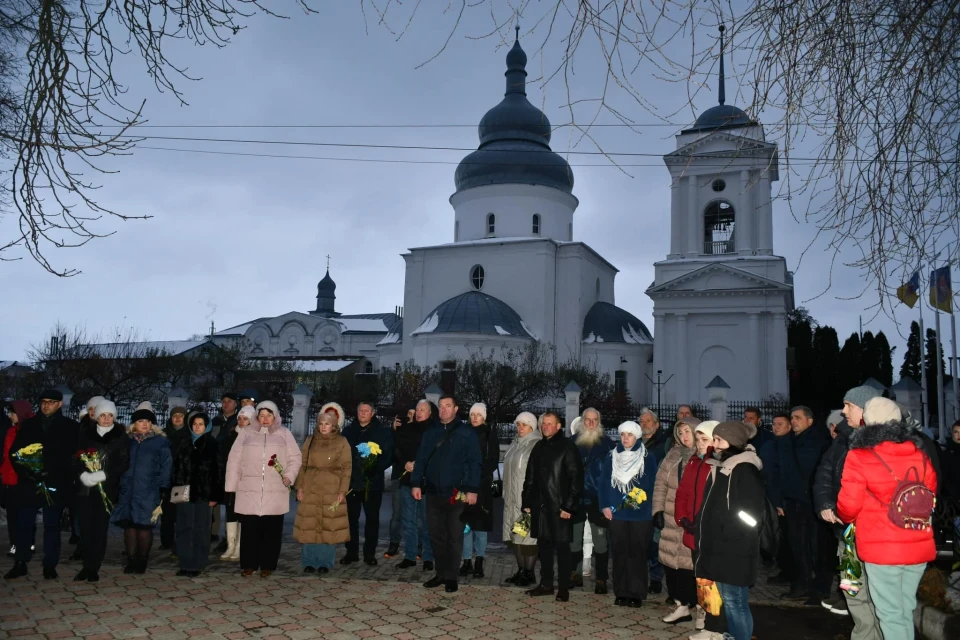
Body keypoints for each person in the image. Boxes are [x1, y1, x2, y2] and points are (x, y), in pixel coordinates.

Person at [837, 397, 938, 640]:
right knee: (905, 609)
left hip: (882, 548)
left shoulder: (860, 456)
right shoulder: (919, 454)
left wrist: (845, 516)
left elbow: (848, 507)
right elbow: (931, 494)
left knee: (890, 614)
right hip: (918, 543)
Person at [812, 386, 882, 628]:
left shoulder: (886, 439)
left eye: (848, 405)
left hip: (874, 535)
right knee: (851, 586)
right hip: (846, 534)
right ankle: (863, 630)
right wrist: (825, 503)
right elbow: (825, 472)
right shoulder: (843, 437)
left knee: (878, 594)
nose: (843, 411)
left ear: (865, 408)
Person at [694, 421, 766, 640]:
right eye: (714, 439)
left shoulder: (743, 469)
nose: (714, 444)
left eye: (719, 440)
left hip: (734, 549)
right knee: (728, 599)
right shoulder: (724, 465)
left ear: (732, 441)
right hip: (720, 547)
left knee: (735, 601)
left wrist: (731, 536)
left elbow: (750, 514)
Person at [5, 389, 81, 580]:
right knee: (24, 524)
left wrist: (63, 476)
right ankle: (21, 562)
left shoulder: (70, 426)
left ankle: (50, 564)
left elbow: (75, 457)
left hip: (55, 482)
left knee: (52, 525)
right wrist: (28, 472)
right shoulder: (28, 425)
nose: (46, 405)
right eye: (43, 401)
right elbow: (16, 453)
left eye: (51, 401)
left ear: (60, 404)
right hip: (29, 482)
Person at [411, 395, 481, 594]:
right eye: (440, 406)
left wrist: (472, 489)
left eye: (448, 406)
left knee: (454, 537)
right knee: (436, 536)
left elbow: (474, 463)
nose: (443, 410)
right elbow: (421, 459)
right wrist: (416, 483)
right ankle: (440, 573)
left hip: (456, 494)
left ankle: (451, 576)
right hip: (433, 493)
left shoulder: (466, 433)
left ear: (456, 408)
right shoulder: (431, 432)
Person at [225, 400, 302, 577]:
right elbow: (234, 459)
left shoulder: (284, 433)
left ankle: (268, 565)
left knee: (271, 531)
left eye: (269, 415)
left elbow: (295, 458)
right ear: (256, 417)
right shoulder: (245, 433)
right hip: (248, 489)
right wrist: (231, 486)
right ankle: (249, 564)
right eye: (262, 415)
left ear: (275, 417)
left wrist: (289, 476)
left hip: (274, 490)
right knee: (250, 530)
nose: (265, 419)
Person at [522, 411, 583, 602]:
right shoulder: (538, 447)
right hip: (540, 507)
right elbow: (530, 477)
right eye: (543, 423)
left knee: (563, 549)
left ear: (558, 427)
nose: (546, 426)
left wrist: (569, 506)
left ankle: (563, 586)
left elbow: (576, 479)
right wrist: (527, 502)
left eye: (550, 423)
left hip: (560, 508)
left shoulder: (568, 447)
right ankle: (546, 584)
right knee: (544, 548)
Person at [594, 421, 657, 608]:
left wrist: (643, 502)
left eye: (630, 435)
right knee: (620, 553)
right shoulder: (612, 456)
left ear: (637, 436)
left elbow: (653, 484)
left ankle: (636, 593)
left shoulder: (647, 457)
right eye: (623, 435)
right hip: (616, 515)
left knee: (637, 554)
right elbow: (603, 483)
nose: (626, 438)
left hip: (641, 514)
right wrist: (604, 505)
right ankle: (621, 591)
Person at [779, 405, 832, 603]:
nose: (793, 421)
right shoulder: (790, 441)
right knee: (797, 546)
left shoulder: (818, 441)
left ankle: (820, 589)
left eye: (798, 418)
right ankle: (801, 584)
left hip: (812, 503)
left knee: (816, 547)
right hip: (794, 502)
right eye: (792, 418)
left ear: (809, 421)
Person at [73, 400, 130, 582]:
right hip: (85, 489)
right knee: (86, 528)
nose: (106, 419)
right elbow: (74, 458)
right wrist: (82, 475)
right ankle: (85, 565)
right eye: (103, 415)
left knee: (99, 528)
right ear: (97, 416)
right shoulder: (85, 434)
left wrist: (103, 475)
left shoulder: (120, 437)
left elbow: (123, 463)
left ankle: (93, 567)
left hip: (105, 489)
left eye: (110, 415)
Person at [111, 406, 172, 574]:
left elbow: (166, 466)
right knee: (130, 526)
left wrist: (164, 487)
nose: (144, 424)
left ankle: (142, 561)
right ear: (134, 424)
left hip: (149, 490)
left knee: (144, 526)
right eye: (140, 421)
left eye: (147, 421)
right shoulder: (127, 441)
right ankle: (130, 560)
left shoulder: (160, 442)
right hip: (128, 489)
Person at [652, 416, 700, 624]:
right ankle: (682, 606)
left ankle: (701, 608)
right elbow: (660, 484)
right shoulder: (673, 455)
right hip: (672, 518)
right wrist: (658, 511)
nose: (683, 436)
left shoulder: (705, 455)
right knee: (672, 563)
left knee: (694, 565)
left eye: (687, 432)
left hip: (694, 520)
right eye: (680, 433)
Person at [674, 420, 719, 634]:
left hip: (710, 531)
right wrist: (682, 517)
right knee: (700, 575)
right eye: (698, 439)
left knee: (711, 577)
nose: (700, 444)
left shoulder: (716, 463)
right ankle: (703, 611)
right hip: (692, 529)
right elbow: (682, 493)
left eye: (704, 439)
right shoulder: (693, 461)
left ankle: (713, 619)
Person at [294, 411, 351, 574]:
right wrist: (300, 486)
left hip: (331, 488)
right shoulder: (310, 441)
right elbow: (302, 464)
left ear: (333, 426)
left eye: (327, 424)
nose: (323, 427)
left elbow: (347, 468)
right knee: (309, 524)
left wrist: (342, 490)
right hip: (311, 486)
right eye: (321, 423)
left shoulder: (341, 442)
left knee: (329, 524)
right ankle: (309, 561)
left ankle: (325, 562)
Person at [341, 401, 393, 566]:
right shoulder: (348, 431)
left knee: (372, 520)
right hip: (353, 482)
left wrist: (375, 467)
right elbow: (342, 454)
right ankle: (351, 552)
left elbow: (387, 454)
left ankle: (369, 554)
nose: (362, 413)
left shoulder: (381, 431)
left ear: (373, 413)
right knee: (351, 519)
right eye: (360, 410)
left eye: (366, 410)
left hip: (373, 482)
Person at [570, 407, 616, 594]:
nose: (590, 423)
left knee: (600, 540)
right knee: (574, 539)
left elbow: (613, 473)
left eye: (594, 420)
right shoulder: (572, 443)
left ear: (599, 422)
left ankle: (601, 578)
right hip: (576, 497)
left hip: (599, 498)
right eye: (587, 420)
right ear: (582, 422)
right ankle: (575, 573)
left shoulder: (607, 444)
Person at [170, 412, 221, 576]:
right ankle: (184, 563)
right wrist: (175, 487)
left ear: (207, 426)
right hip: (184, 493)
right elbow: (176, 467)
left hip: (203, 494)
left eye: (201, 424)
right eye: (195, 424)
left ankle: (198, 564)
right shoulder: (184, 443)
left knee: (201, 529)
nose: (197, 426)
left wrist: (214, 495)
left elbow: (218, 471)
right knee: (184, 528)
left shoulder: (212, 444)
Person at [394, 400, 435, 571]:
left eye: (423, 410)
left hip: (427, 483)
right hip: (407, 481)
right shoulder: (406, 429)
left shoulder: (435, 431)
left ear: (430, 412)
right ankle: (410, 556)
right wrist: (405, 463)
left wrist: (420, 464)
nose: (419, 412)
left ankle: (428, 557)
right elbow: (397, 450)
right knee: (408, 521)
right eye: (417, 409)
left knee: (427, 522)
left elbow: (437, 454)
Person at [502, 411, 541, 587]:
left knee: (528, 538)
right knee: (515, 536)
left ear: (532, 426)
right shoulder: (514, 444)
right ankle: (521, 570)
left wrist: (532, 500)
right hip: (511, 499)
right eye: (518, 424)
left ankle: (529, 572)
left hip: (525, 501)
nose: (520, 427)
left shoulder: (536, 445)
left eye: (524, 424)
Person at [460, 402, 499, 579]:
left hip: (482, 486)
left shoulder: (489, 434)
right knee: (466, 525)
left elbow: (492, 460)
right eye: (472, 414)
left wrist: (478, 477)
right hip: (464, 484)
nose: (475, 418)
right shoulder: (463, 432)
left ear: (484, 417)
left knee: (480, 525)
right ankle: (466, 560)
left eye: (478, 415)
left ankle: (479, 561)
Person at [760, 413, 796, 587]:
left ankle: (790, 571)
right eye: (774, 424)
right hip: (769, 496)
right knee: (775, 535)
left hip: (783, 500)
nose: (776, 427)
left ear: (789, 426)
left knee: (786, 537)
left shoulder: (790, 445)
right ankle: (783, 568)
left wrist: (780, 501)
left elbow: (784, 476)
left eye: (780, 424)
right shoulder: (770, 445)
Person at [639, 408, 669, 594]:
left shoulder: (663, 444)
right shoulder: (634, 443)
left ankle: (656, 578)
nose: (644, 423)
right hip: (637, 500)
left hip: (656, 498)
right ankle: (642, 576)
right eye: (641, 421)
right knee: (642, 540)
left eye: (648, 421)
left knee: (655, 542)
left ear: (657, 424)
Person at [219, 405, 254, 562]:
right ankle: (230, 545)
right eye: (239, 418)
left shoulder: (255, 438)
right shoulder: (230, 437)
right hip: (231, 482)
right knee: (230, 512)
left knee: (243, 515)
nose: (241, 421)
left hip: (247, 483)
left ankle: (240, 546)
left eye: (245, 419)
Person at [1, 401, 33, 559]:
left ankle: (26, 543)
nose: (9, 415)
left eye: (11, 412)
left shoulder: (30, 431)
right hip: (9, 479)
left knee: (24, 515)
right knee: (13, 515)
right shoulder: (11, 431)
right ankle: (16, 543)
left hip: (23, 480)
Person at [386, 404, 416, 559]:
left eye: (414, 413)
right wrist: (393, 431)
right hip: (399, 476)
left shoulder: (421, 431)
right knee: (397, 513)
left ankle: (417, 546)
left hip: (415, 478)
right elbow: (391, 451)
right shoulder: (399, 432)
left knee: (415, 516)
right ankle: (394, 543)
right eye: (409, 413)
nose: (411, 416)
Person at [211, 392, 239, 551]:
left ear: (236, 404)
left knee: (230, 505)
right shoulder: (215, 420)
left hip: (231, 467)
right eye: (223, 401)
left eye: (229, 401)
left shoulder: (239, 421)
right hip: (216, 466)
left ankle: (230, 538)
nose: (226, 404)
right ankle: (211, 532)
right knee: (213, 501)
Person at [159, 406, 189, 552]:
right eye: (175, 415)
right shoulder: (163, 434)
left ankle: (180, 542)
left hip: (182, 479)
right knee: (166, 514)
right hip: (166, 478)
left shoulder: (189, 435)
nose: (177, 418)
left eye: (180, 415)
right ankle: (166, 541)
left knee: (181, 513)